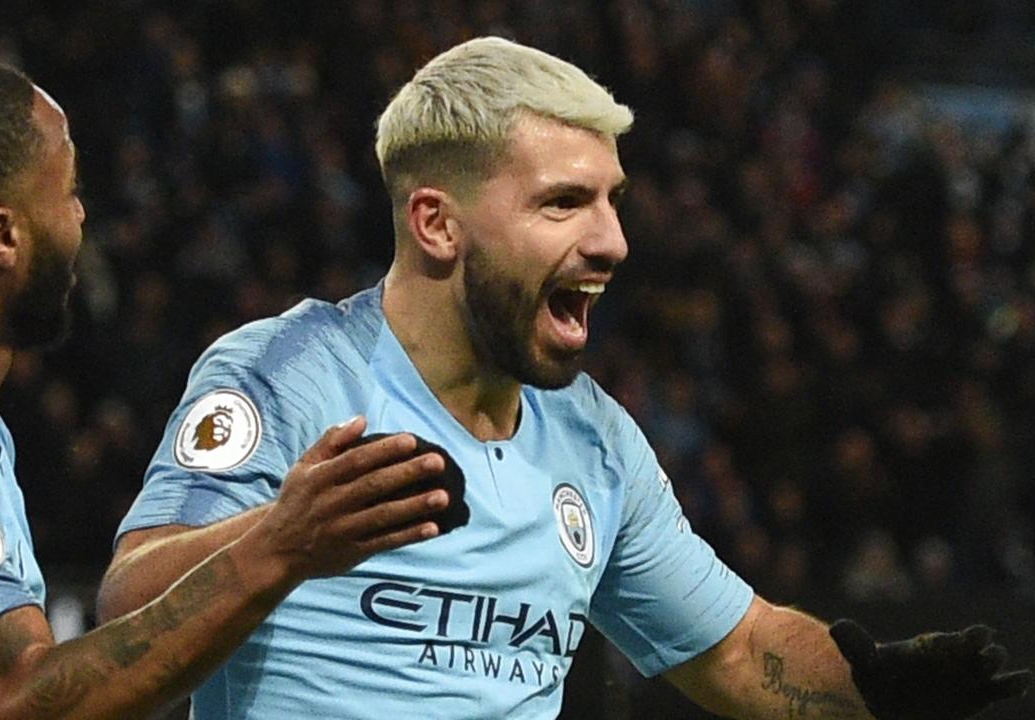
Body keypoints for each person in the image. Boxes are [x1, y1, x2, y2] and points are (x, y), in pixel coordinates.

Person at [98, 36, 1031, 719]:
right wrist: (284, 538)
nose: (612, 240)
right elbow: (126, 606)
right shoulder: (291, 375)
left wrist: (876, 685)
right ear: (436, 224)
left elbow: (742, 652)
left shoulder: (595, 440)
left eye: (612, 201)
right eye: (563, 203)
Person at [0, 57, 450, 720]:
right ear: (2, 237)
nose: (82, 217)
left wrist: (282, 526)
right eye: (69, 192)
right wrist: (281, 544)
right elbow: (19, 700)